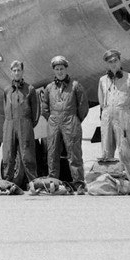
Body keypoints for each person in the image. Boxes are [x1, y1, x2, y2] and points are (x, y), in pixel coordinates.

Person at [98, 49, 130, 191]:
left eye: (115, 61)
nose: (113, 64)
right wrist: (107, 112)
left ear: (120, 61)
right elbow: (101, 100)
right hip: (107, 115)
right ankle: (109, 185)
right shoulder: (102, 80)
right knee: (106, 151)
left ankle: (129, 184)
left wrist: (128, 115)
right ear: (107, 64)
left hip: (124, 114)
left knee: (125, 151)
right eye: (110, 62)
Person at [40, 55, 88, 184]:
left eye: (61, 68)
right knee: (52, 152)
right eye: (57, 69)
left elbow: (83, 106)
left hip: (71, 120)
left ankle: (78, 182)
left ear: (66, 69)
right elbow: (44, 107)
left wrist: (75, 120)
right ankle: (53, 182)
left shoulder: (75, 86)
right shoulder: (49, 88)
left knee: (74, 153)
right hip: (53, 121)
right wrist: (52, 118)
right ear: (54, 71)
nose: (59, 71)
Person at [1, 60, 40, 184]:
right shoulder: (7, 90)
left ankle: (33, 182)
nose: (17, 73)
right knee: (8, 154)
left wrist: (28, 123)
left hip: (25, 123)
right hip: (9, 123)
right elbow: (5, 107)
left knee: (27, 155)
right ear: (11, 73)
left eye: (19, 70)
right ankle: (7, 182)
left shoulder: (30, 89)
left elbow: (36, 112)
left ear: (22, 72)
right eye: (14, 70)